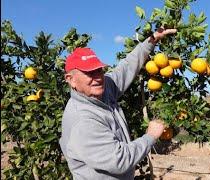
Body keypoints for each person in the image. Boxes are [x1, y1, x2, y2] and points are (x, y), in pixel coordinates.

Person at [59, 28, 177, 180]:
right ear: (71, 80)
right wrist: (150, 136)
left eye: (99, 70)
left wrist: (151, 40)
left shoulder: (100, 90)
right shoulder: (82, 120)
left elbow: (126, 68)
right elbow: (120, 160)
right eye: (89, 73)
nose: (98, 77)